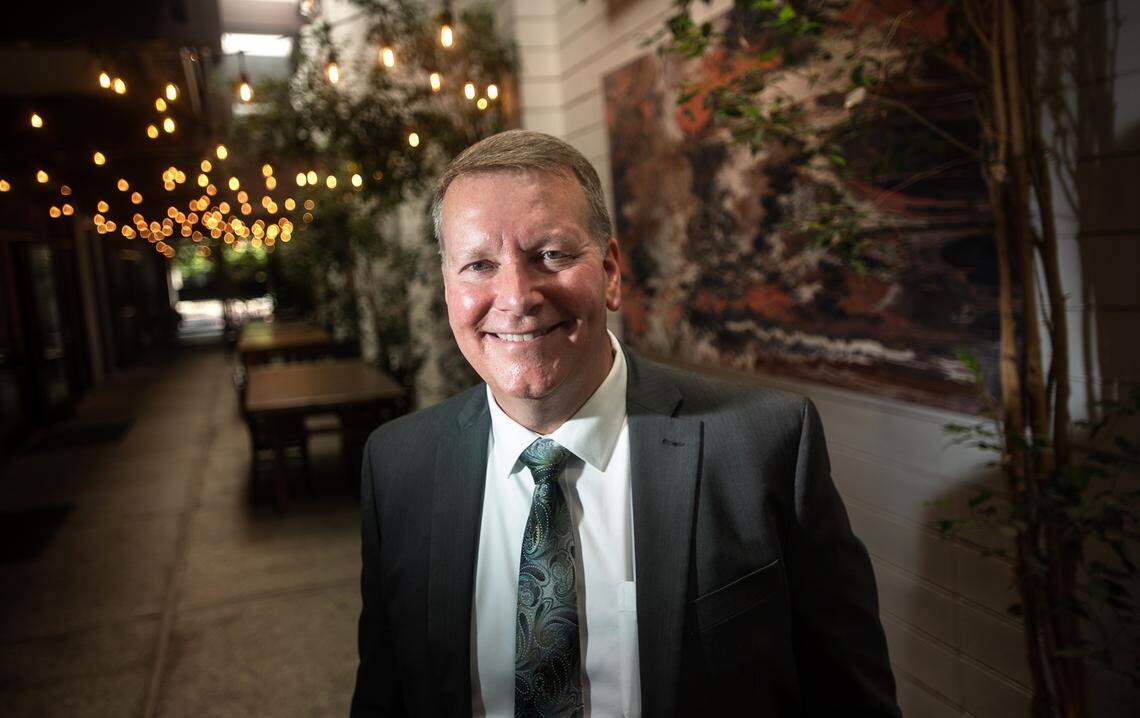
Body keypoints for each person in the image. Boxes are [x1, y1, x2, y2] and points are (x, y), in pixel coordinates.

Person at [351, 129, 900, 717]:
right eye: (479, 264)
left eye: (552, 256)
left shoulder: (763, 445)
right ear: (447, 290)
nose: (515, 297)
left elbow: (851, 699)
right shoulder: (398, 466)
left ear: (610, 272)